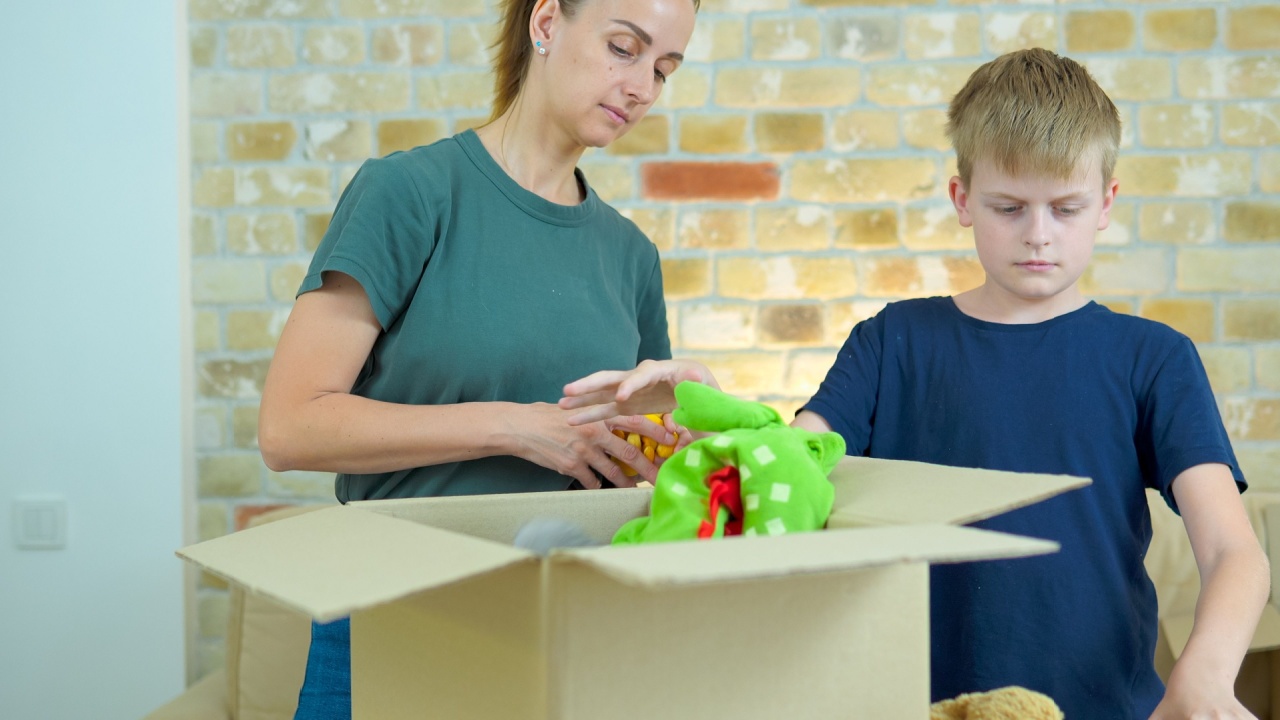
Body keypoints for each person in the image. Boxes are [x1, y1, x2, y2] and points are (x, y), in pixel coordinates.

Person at [559, 48, 1269, 719]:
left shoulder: (1154, 358)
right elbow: (792, 462)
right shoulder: (892, 341)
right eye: (1009, 207)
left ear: (1107, 202)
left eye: (1066, 207)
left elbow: (1231, 550)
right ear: (962, 199)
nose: (1038, 235)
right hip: (911, 703)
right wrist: (717, 424)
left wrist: (1204, 673)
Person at [257, 0, 700, 717]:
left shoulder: (631, 256)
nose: (642, 86)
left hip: (561, 631)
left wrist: (692, 441)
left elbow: (639, 472)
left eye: (664, 69)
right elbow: (289, 428)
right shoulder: (409, 194)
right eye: (625, 48)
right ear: (548, 23)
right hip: (391, 616)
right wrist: (513, 427)